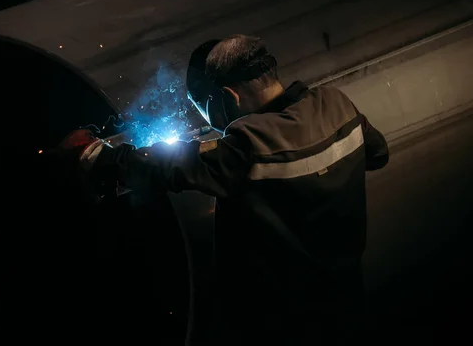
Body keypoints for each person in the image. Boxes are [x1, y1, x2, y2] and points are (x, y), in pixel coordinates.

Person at [62, 34, 389, 345]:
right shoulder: (337, 104)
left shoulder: (249, 146)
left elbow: (172, 164)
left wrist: (98, 155)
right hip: (348, 302)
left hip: (285, 324)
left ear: (229, 96)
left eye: (201, 106)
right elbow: (377, 154)